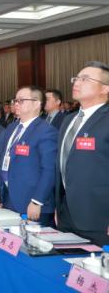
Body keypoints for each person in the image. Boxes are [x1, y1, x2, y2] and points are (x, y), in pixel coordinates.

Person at [56, 61, 109, 245]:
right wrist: (58, 205)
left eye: (85, 79)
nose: (77, 83)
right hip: (66, 215)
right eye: (76, 78)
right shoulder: (68, 120)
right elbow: (63, 166)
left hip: (99, 218)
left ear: (105, 88)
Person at [0, 86, 57, 225]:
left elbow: (49, 169)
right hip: (8, 198)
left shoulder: (46, 131)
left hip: (31, 201)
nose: (16, 104)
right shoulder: (12, 128)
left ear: (37, 103)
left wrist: (37, 201)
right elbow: (3, 160)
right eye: (15, 100)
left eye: (21, 100)